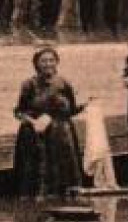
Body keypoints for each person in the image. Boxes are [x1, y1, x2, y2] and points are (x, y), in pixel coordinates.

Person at [12, 46, 86, 198]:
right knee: (37, 174)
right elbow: (19, 112)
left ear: (57, 62)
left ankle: (64, 194)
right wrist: (33, 122)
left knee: (64, 174)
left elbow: (71, 109)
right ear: (36, 64)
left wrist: (87, 106)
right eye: (43, 61)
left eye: (51, 60)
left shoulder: (64, 83)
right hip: (35, 133)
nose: (48, 64)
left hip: (61, 133)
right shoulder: (29, 84)